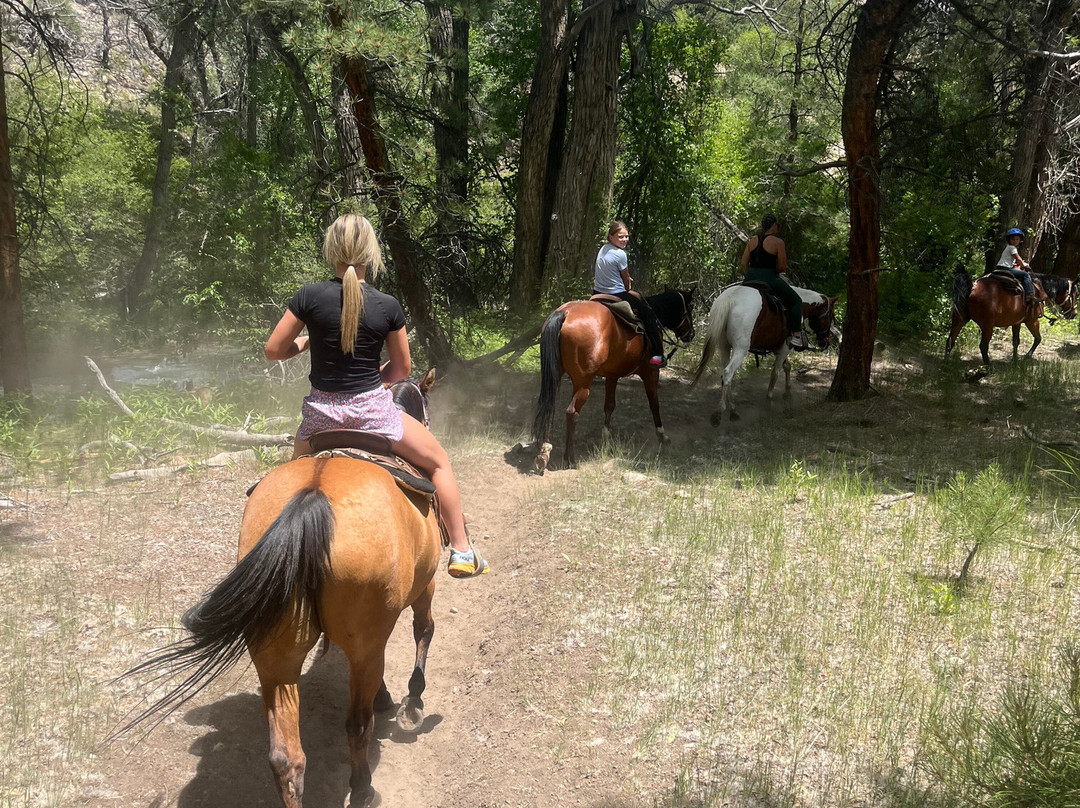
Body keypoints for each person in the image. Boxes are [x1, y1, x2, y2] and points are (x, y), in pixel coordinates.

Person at [265, 213, 487, 578]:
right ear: (371, 252)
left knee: (289, 483)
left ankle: (278, 554)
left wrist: (304, 343)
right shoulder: (387, 305)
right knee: (438, 463)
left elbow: (274, 350)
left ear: (331, 250)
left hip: (319, 418)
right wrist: (373, 383)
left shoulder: (308, 296)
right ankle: (462, 550)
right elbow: (400, 370)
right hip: (373, 415)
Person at [592, 221, 667, 367]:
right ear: (611, 237)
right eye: (620, 237)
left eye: (626, 236)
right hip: (617, 294)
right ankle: (658, 354)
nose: (625, 239)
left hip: (597, 292)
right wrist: (628, 284)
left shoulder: (603, 249)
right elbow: (626, 281)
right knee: (649, 315)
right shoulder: (620, 254)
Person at [741, 214, 807, 350]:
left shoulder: (752, 241)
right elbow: (782, 266)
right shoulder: (778, 242)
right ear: (774, 225)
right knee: (796, 301)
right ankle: (796, 335)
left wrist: (751, 274)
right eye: (778, 225)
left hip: (750, 278)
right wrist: (772, 273)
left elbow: (743, 263)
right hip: (769, 277)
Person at [997, 227, 1038, 305]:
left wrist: (1018, 264)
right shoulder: (1012, 248)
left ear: (1020, 240)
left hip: (999, 267)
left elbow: (1011, 260)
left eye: (1017, 239)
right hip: (1006, 269)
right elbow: (1018, 259)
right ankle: (1029, 294)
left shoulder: (1008, 247)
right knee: (1026, 275)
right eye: (1013, 239)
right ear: (1009, 240)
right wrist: (1024, 265)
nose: (1015, 241)